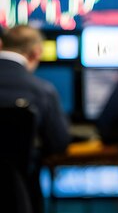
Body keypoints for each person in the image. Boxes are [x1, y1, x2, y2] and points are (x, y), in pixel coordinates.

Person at [0, 25, 72, 213]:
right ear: (36, 53)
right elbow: (59, 143)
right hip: (20, 196)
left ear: (1, 45)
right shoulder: (42, 91)